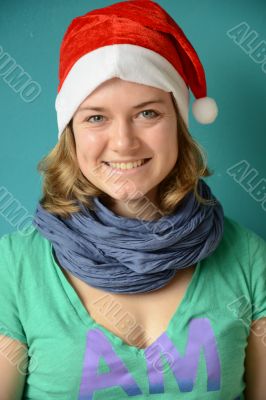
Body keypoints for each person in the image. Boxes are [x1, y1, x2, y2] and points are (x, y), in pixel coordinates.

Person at [0, 1, 265, 399]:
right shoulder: (14, 270)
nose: (124, 142)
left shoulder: (248, 259)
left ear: (178, 123)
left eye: (147, 113)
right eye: (96, 117)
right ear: (70, 133)